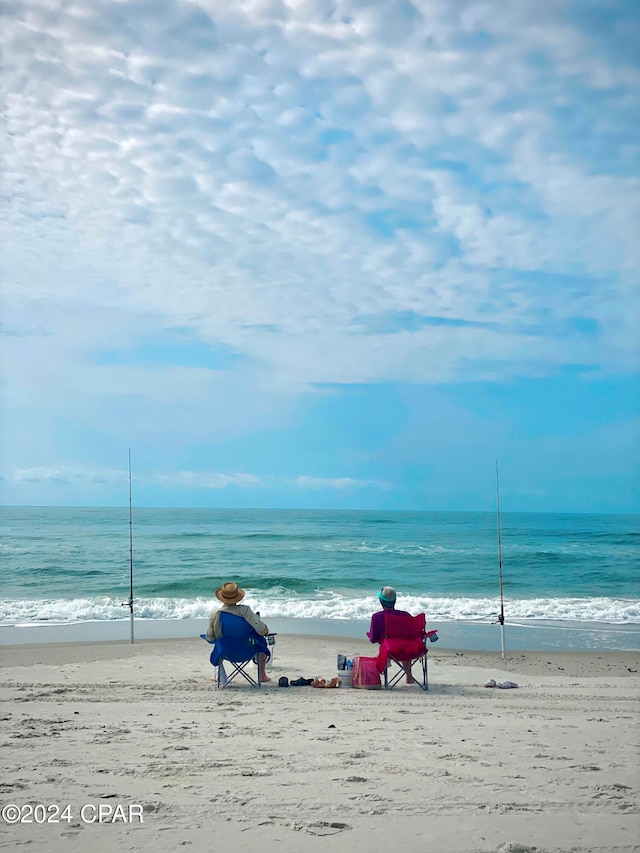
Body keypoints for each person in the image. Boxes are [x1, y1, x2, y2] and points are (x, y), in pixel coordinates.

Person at [206, 581, 271, 682]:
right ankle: (262, 675)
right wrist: (265, 630)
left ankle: (216, 675)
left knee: (219, 642)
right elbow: (261, 630)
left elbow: (210, 638)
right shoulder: (245, 611)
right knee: (260, 640)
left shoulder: (216, 614)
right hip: (249, 650)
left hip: (226, 651)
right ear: (237, 596)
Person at [367, 586, 413, 683]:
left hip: (388, 652)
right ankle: (409, 677)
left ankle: (384, 676)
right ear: (395, 600)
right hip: (408, 651)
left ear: (381, 601)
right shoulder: (406, 615)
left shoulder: (377, 617)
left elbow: (373, 639)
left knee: (387, 644)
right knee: (404, 642)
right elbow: (412, 635)